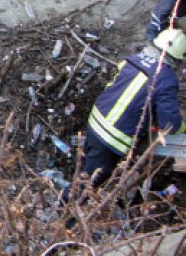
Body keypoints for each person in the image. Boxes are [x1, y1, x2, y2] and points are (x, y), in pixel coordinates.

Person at [63, 29, 186, 203]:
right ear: (177, 58)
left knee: (87, 166)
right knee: (86, 185)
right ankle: (63, 213)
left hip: (96, 121)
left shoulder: (133, 60)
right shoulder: (166, 80)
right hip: (111, 139)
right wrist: (183, 126)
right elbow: (170, 123)